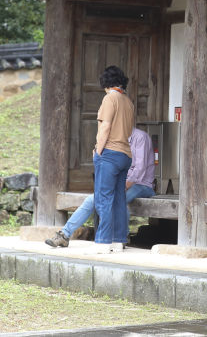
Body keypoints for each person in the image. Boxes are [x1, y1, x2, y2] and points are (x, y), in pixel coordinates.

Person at [45, 126, 155, 249]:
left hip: (141, 185)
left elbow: (140, 169)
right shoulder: (112, 137)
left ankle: (120, 238)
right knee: (91, 200)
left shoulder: (140, 137)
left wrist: (121, 187)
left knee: (118, 200)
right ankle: (64, 234)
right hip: (119, 183)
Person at [90, 65, 134, 253]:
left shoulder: (110, 98)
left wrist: (98, 151)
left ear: (105, 83)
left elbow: (105, 127)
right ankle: (118, 241)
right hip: (125, 154)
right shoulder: (128, 101)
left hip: (109, 154)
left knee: (104, 198)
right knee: (119, 199)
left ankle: (103, 241)